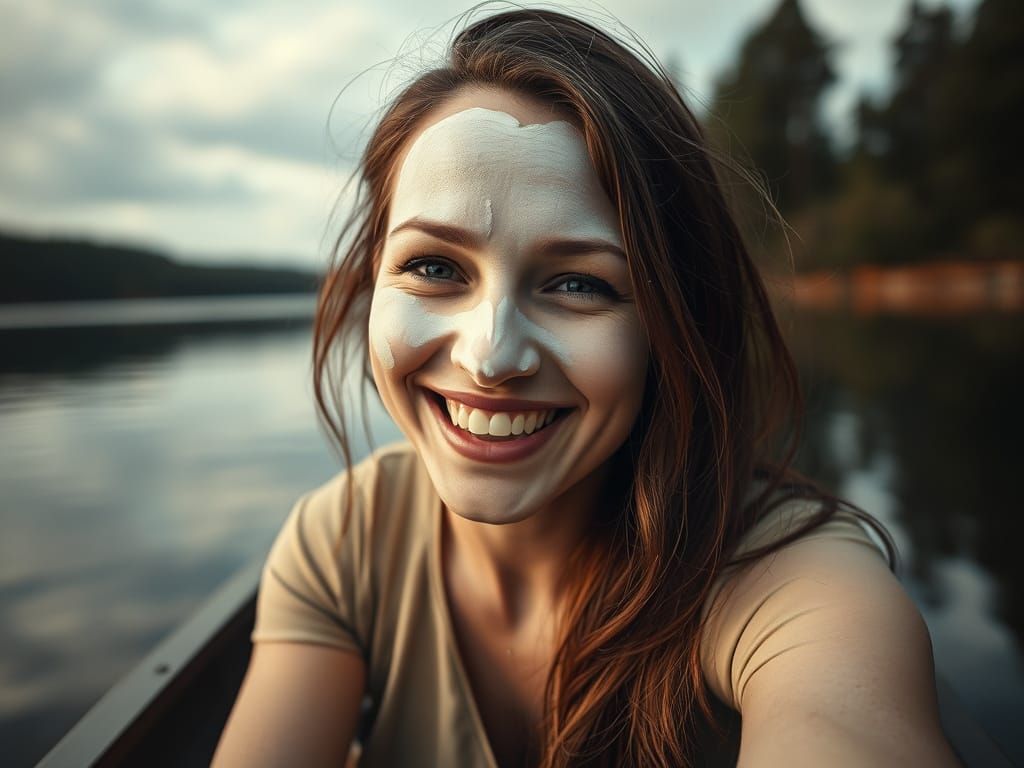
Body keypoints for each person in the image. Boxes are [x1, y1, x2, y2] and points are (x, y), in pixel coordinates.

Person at [212, 8, 960, 767]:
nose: (492, 357)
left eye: (579, 283)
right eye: (435, 268)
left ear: (672, 324)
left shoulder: (788, 578)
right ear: (375, 279)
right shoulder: (344, 538)